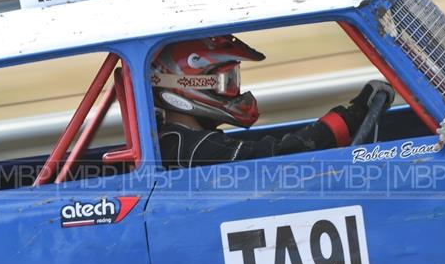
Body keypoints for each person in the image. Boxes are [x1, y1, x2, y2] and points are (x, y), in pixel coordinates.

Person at [150, 35, 395, 168]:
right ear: (186, 85)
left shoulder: (176, 141)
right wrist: (350, 117)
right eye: (227, 81)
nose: (235, 91)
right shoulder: (193, 149)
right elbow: (279, 156)